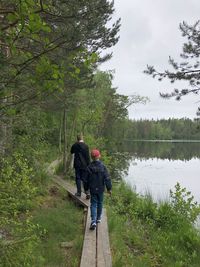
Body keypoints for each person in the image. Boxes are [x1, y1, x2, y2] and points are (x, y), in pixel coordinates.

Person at [85, 149, 112, 230]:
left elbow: (86, 180)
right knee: (100, 203)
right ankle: (98, 218)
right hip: (100, 189)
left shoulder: (89, 167)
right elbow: (107, 178)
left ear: (91, 157)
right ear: (99, 156)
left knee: (93, 204)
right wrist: (109, 188)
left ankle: (93, 221)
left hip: (92, 189)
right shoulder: (103, 167)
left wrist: (86, 189)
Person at [70, 134, 90, 198]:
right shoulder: (86, 146)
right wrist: (89, 165)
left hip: (77, 164)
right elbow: (87, 157)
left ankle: (79, 193)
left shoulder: (75, 145)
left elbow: (71, 152)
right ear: (82, 138)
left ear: (77, 139)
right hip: (84, 165)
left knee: (78, 178)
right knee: (85, 179)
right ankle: (87, 192)